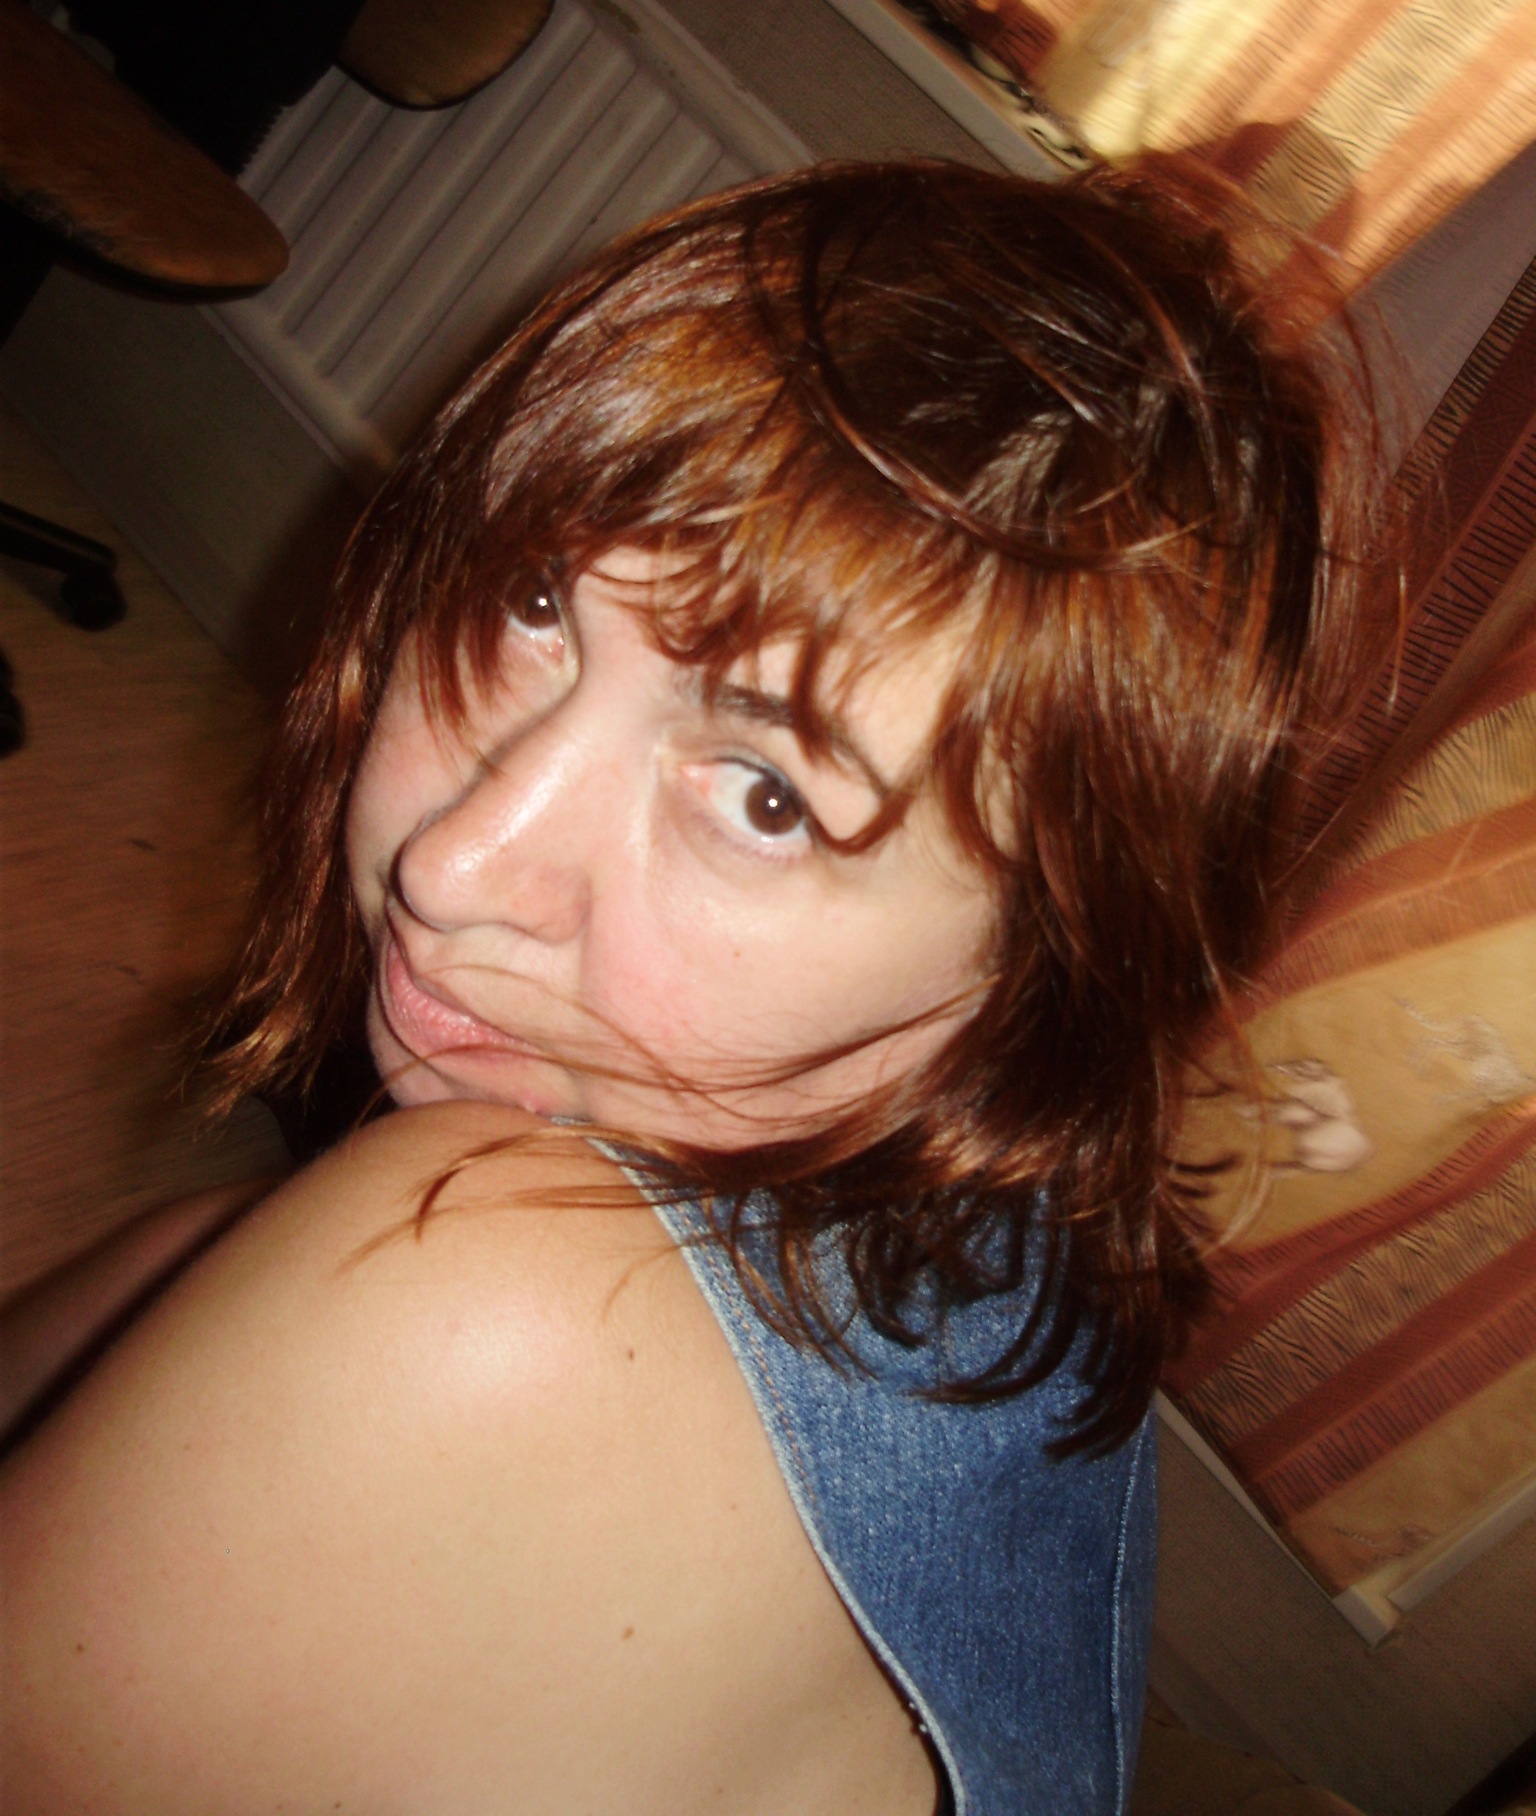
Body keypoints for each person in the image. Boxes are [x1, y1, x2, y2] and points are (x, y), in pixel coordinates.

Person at [0, 158, 1378, 1813]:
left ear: (1041, 973)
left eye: (768, 799)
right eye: (533, 604)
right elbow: (184, 1266)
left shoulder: (487, 1291)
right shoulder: (1015, 1232)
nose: (455, 863)